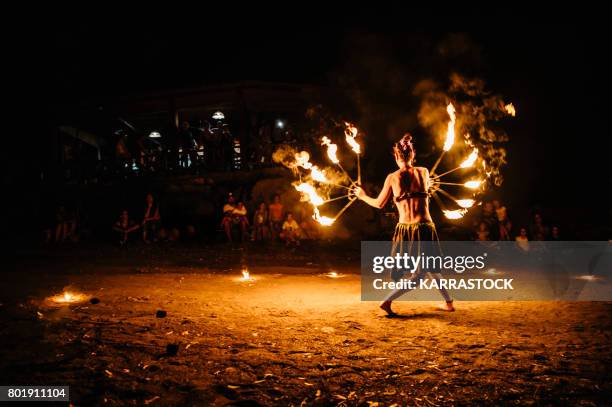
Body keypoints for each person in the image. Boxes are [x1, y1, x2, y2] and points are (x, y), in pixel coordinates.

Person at [354, 133, 454, 315]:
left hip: (405, 229)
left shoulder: (392, 177)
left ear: (396, 156)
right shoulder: (423, 172)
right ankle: (387, 301)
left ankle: (449, 301)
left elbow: (378, 204)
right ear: (413, 155)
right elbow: (426, 188)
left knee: (428, 267)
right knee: (420, 273)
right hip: (424, 227)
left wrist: (362, 196)